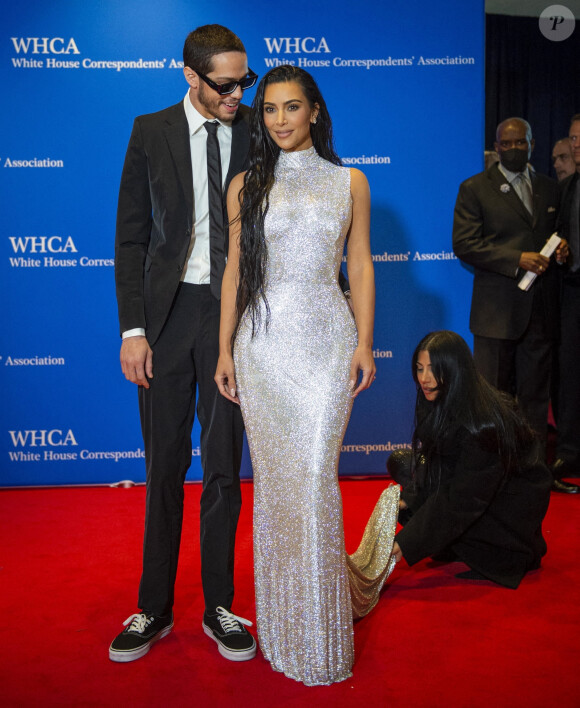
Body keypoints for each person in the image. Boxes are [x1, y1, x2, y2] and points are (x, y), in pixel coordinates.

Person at [215, 65, 399, 686]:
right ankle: (286, 620)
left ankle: (320, 634)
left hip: (326, 343)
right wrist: (224, 352)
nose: (279, 120)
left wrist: (366, 344)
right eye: (268, 110)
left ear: (315, 111)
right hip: (262, 347)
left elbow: (362, 265)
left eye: (292, 108)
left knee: (316, 478)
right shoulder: (246, 184)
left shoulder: (351, 182)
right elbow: (236, 274)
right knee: (277, 488)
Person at [110, 25, 257, 663]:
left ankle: (220, 606)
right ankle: (153, 608)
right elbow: (132, 239)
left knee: (224, 464)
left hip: (232, 317)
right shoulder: (151, 131)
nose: (238, 95)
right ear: (190, 76)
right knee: (164, 465)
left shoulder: (259, 130)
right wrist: (133, 329)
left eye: (244, 81)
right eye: (225, 84)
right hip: (167, 320)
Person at [388, 331, 552, 589]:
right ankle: (451, 543)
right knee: (402, 467)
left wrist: (403, 545)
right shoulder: (440, 397)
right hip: (473, 487)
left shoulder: (483, 423)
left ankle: (487, 550)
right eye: (419, 369)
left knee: (430, 511)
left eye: (433, 369)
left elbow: (461, 499)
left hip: (507, 509)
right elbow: (438, 462)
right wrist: (406, 500)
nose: (425, 379)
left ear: (455, 370)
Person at [452, 118, 569, 471]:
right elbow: (464, 243)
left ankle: (532, 474)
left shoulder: (551, 188)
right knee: (492, 400)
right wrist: (516, 259)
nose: (515, 149)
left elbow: (557, 234)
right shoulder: (475, 188)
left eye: (522, 143)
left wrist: (563, 249)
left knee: (535, 399)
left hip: (539, 311)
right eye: (508, 143)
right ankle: (490, 473)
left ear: (532, 144)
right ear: (497, 146)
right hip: (495, 313)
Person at [551, 114, 580, 491]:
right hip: (572, 290)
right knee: (570, 374)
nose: (576, 145)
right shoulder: (568, 186)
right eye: (574, 137)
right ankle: (570, 451)